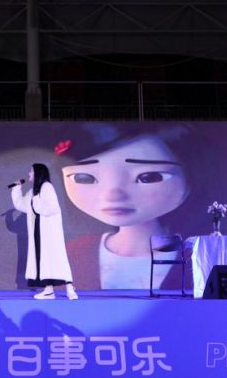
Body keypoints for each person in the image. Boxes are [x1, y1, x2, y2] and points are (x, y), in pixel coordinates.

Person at [57, 123, 202, 290]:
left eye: (149, 177)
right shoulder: (76, 252)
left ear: (190, 178)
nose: (113, 195)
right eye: (83, 177)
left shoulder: (198, 255)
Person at [10, 163, 78, 300]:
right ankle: (48, 290)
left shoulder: (47, 187)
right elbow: (22, 205)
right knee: (42, 260)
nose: (29, 174)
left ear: (38, 173)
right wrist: (17, 189)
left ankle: (70, 289)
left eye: (31, 171)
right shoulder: (33, 191)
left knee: (57, 258)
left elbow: (52, 209)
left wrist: (36, 202)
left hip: (49, 231)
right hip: (38, 231)